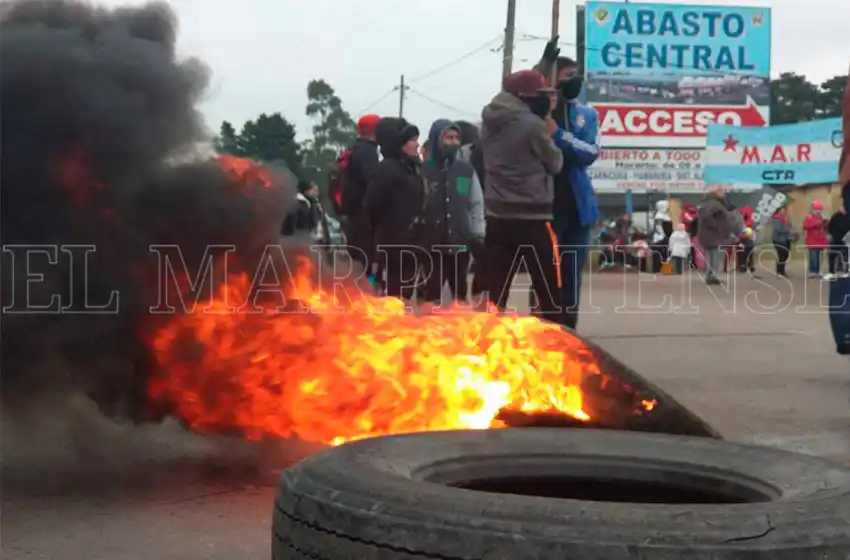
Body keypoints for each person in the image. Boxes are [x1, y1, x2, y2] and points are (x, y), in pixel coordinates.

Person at [479, 69, 564, 324]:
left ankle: (485, 341)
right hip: (532, 216)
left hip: (497, 214)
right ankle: (554, 343)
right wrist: (552, 132)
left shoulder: (490, 121)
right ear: (526, 96)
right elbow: (556, 162)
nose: (546, 99)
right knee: (549, 287)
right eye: (541, 94)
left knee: (496, 287)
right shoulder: (532, 124)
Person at [534, 41, 600, 329]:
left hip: (577, 207)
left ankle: (569, 331)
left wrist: (559, 134)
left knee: (572, 274)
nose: (572, 80)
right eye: (565, 75)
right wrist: (542, 63)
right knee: (544, 274)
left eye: (575, 74)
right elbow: (510, 92)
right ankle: (540, 329)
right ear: (551, 79)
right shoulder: (535, 112)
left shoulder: (587, 114)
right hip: (543, 205)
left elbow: (589, 153)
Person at [420, 119, 484, 305]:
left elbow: (475, 204)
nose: (454, 142)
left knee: (460, 298)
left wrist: (478, 235)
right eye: (449, 137)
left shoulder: (466, 171)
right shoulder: (422, 170)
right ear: (436, 140)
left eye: (457, 138)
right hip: (431, 246)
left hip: (460, 246)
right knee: (430, 298)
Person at [363, 117, 424, 301]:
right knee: (391, 296)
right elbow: (372, 205)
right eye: (411, 140)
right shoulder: (387, 169)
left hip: (413, 246)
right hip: (392, 246)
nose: (416, 144)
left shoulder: (413, 168)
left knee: (405, 294)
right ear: (398, 144)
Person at [333, 114, 382, 277]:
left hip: (350, 215)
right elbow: (373, 184)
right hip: (364, 218)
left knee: (356, 263)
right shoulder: (368, 152)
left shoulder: (351, 150)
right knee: (367, 263)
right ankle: (368, 292)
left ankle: (357, 293)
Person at [696, 186, 735, 285]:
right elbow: (707, 216)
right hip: (712, 235)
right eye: (722, 191)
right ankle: (711, 275)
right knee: (714, 255)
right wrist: (717, 226)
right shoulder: (714, 204)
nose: (724, 193)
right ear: (716, 193)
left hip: (710, 234)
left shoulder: (710, 203)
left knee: (712, 254)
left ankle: (711, 274)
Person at [802, 200, 829, 278]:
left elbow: (825, 228)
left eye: (819, 210)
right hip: (812, 240)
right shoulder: (809, 217)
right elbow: (805, 226)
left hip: (821, 240)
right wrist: (815, 224)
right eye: (817, 209)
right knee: (813, 257)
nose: (818, 211)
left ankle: (818, 271)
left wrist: (826, 223)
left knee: (820, 257)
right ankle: (813, 271)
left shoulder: (821, 217)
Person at [770, 207, 796, 278]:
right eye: (782, 210)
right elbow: (779, 229)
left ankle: (782, 271)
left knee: (785, 255)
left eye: (784, 210)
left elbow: (790, 226)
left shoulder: (786, 218)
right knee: (781, 255)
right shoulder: (776, 219)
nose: (784, 212)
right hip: (778, 239)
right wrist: (788, 230)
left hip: (786, 239)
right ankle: (779, 272)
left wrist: (792, 228)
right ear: (778, 211)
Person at [650, 200, 673, 273]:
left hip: (666, 237)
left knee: (666, 254)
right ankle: (657, 269)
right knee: (660, 253)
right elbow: (659, 227)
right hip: (660, 237)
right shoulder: (659, 216)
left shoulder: (665, 215)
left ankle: (665, 269)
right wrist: (664, 236)